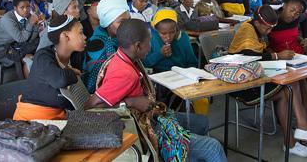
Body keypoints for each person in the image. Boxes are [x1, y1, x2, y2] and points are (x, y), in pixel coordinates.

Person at [85, 19, 227, 162]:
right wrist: (132, 101)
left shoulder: (126, 57)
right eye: (149, 42)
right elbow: (91, 105)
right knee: (213, 147)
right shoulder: (124, 73)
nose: (151, 46)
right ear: (138, 46)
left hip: (147, 117)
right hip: (142, 129)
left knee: (201, 122)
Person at [227, 5, 307, 157]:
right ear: (257, 22)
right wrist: (276, 56)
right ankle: (296, 135)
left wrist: (276, 56)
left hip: (255, 75)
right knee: (288, 88)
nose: (269, 32)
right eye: (266, 29)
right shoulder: (247, 29)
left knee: (289, 85)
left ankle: (298, 132)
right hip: (241, 83)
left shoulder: (257, 30)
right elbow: (248, 57)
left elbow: (258, 56)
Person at [13, 15, 85, 121]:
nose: (85, 37)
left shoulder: (74, 57)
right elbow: (60, 80)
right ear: (65, 36)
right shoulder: (43, 56)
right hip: (31, 121)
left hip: (58, 119)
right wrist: (71, 72)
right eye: (80, 32)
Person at [81, 0, 130, 93]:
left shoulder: (116, 38)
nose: (128, 25)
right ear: (108, 22)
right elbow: (94, 83)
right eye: (121, 22)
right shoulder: (98, 45)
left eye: (129, 19)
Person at [0, 0, 41, 71]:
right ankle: (24, 81)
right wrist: (31, 24)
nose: (26, 10)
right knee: (23, 58)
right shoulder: (8, 19)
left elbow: (30, 38)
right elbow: (21, 38)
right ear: (15, 8)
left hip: (14, 45)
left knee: (39, 46)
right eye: (22, 7)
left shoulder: (27, 16)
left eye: (28, 7)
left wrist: (36, 26)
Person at [144, 9, 196, 73]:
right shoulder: (150, 38)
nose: (168, 37)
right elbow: (145, 63)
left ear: (176, 29)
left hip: (183, 75)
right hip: (159, 76)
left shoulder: (183, 37)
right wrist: (160, 54)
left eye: (172, 32)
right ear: (156, 30)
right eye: (163, 33)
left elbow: (192, 62)